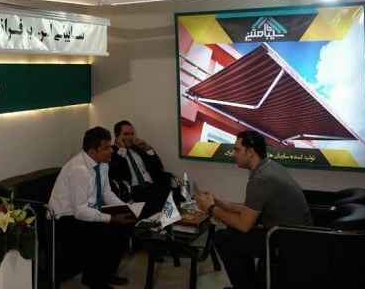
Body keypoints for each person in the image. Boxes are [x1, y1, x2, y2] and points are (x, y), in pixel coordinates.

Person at [195, 130, 312, 289]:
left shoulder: (261, 178)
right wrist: (220, 203)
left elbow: (244, 224)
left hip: (286, 240)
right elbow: (251, 208)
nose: (233, 154)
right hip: (292, 233)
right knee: (231, 231)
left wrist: (210, 208)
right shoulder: (268, 166)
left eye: (237, 150)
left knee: (223, 238)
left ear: (250, 152)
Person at [49, 126, 136, 289]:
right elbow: (80, 211)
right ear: (92, 151)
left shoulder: (102, 164)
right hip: (64, 219)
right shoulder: (79, 170)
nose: (111, 150)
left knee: (123, 228)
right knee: (103, 230)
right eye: (106, 148)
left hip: (87, 209)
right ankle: (93, 280)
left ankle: (107, 273)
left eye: (110, 146)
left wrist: (124, 208)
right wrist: (110, 218)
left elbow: (106, 192)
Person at [109, 120, 171, 211]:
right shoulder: (111, 152)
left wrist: (148, 149)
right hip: (133, 190)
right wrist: (122, 149)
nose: (130, 137)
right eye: (126, 134)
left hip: (151, 185)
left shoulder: (138, 149)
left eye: (132, 134)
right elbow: (114, 172)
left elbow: (158, 167)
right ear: (116, 136)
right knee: (158, 204)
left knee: (173, 194)